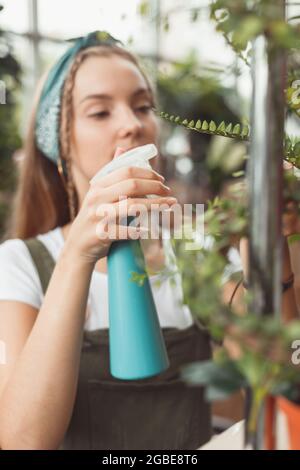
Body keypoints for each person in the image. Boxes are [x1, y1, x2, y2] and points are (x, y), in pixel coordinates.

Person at [0, 31, 212, 450]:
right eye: (100, 112)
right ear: (61, 143)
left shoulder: (193, 248)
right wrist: (78, 256)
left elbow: (278, 367)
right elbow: (22, 442)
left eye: (143, 106)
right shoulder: (19, 264)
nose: (132, 125)